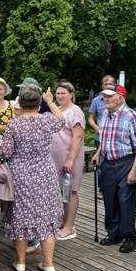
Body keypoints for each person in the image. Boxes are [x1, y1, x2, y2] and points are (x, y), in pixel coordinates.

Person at [0, 85, 65, 271]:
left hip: (21, 176)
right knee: (47, 219)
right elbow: (61, 119)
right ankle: (48, 264)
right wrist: (51, 101)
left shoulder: (13, 125)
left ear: (20, 103)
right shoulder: (46, 121)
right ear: (39, 103)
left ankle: (21, 262)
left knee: (20, 219)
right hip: (45, 176)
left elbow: (5, 153)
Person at [90, 85, 136, 253]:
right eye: (104, 96)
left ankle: (129, 237)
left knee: (125, 200)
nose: (105, 99)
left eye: (109, 96)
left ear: (120, 98)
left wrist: (135, 170)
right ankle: (114, 233)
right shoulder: (105, 115)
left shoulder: (131, 116)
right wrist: (98, 153)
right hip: (108, 162)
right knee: (109, 198)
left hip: (127, 161)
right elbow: (105, 140)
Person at [51, 81, 85, 241]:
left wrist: (71, 159)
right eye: (57, 93)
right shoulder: (57, 110)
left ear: (71, 94)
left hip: (70, 158)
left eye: (63, 93)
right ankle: (63, 221)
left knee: (70, 191)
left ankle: (69, 226)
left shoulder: (75, 111)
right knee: (59, 190)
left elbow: (77, 136)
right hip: (56, 159)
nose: (60, 96)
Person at [87, 75, 117, 149]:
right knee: (100, 159)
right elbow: (90, 118)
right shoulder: (96, 100)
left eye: (110, 84)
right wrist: (96, 128)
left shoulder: (119, 99)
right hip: (100, 137)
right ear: (102, 86)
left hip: (115, 138)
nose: (108, 86)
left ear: (114, 86)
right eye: (105, 84)